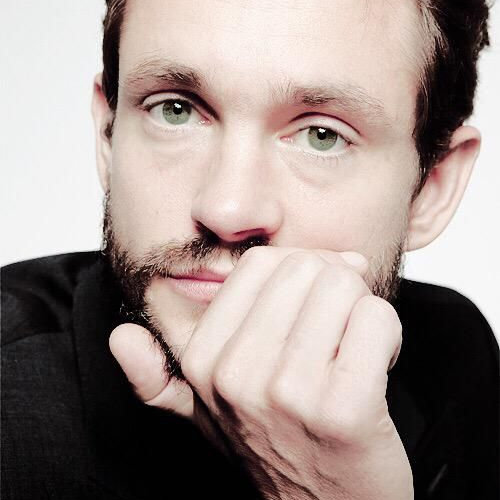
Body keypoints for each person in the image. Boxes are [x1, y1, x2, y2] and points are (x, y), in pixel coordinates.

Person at [2, 0, 498, 499]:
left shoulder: (456, 360)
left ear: (431, 189)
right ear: (108, 136)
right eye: (175, 110)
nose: (228, 210)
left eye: (322, 136)